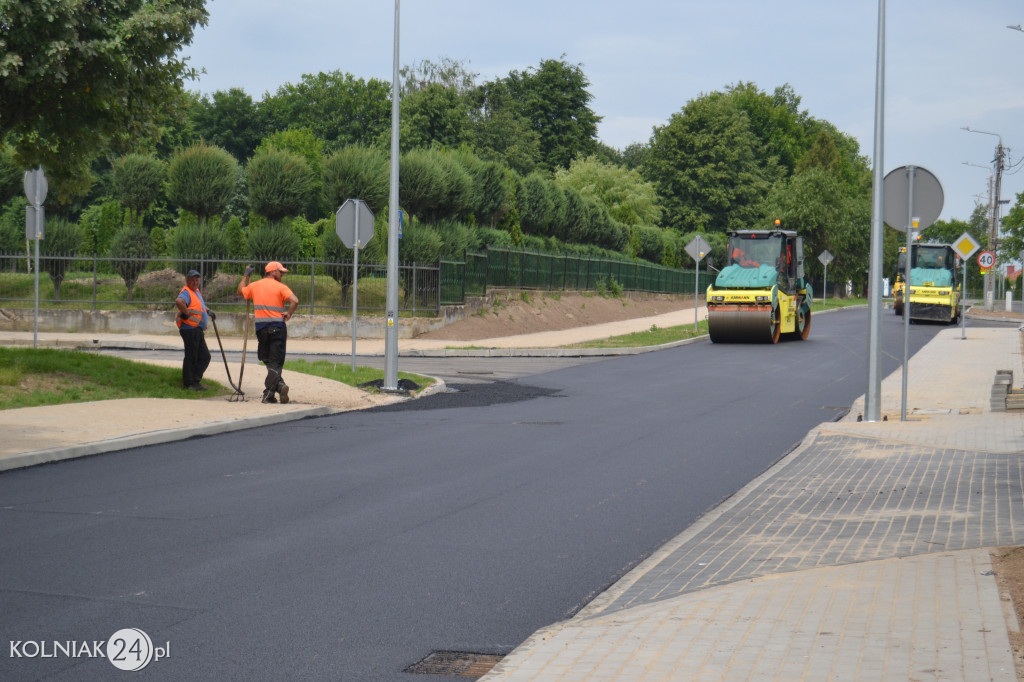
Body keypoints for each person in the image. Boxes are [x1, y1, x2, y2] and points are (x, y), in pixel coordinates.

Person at [237, 261, 299, 404]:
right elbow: (295, 301)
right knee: (276, 362)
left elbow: (240, 291)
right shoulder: (281, 287)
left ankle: (280, 385)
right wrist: (289, 314)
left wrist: (245, 276)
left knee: (268, 360)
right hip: (278, 328)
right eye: (280, 272)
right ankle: (269, 394)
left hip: (261, 329)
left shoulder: (254, 285)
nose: (282, 274)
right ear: (272, 272)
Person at [175, 269, 213, 391]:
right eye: (192, 280)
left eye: (197, 280)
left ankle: (194, 381)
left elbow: (199, 305)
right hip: (189, 329)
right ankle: (189, 383)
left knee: (204, 356)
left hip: (196, 329)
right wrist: (185, 313)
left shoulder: (196, 292)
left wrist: (208, 310)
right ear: (188, 281)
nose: (195, 282)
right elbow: (179, 301)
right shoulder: (186, 291)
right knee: (192, 356)